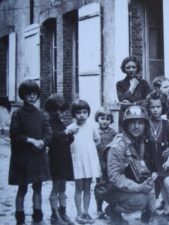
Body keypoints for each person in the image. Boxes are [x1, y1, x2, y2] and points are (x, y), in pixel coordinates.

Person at [94, 105, 157, 225]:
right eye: (132, 122)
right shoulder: (118, 146)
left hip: (128, 182)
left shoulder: (141, 142)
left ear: (145, 125)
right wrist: (139, 187)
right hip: (109, 188)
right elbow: (114, 177)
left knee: (152, 185)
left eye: (140, 122)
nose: (137, 126)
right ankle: (113, 211)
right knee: (141, 200)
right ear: (126, 125)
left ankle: (150, 215)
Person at [9, 79, 52, 225]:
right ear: (23, 96)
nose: (32, 97)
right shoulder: (17, 114)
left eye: (34, 94)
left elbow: (48, 133)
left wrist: (43, 141)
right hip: (23, 158)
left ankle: (37, 214)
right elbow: (15, 134)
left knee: (38, 187)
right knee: (23, 187)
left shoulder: (41, 115)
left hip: (38, 157)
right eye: (28, 94)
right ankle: (20, 216)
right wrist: (31, 140)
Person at [144, 93, 169, 222]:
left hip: (163, 162)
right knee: (151, 188)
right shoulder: (145, 124)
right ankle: (152, 214)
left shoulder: (167, 124)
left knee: (168, 184)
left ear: (163, 107)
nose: (155, 110)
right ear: (149, 108)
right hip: (150, 163)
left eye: (158, 106)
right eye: (152, 107)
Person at [67, 100, 101, 224]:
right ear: (74, 114)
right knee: (78, 188)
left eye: (84, 112)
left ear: (88, 113)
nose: (82, 115)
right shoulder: (71, 128)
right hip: (77, 160)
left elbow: (97, 140)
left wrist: (90, 149)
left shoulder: (91, 126)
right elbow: (67, 142)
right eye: (78, 112)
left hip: (88, 160)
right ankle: (79, 212)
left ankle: (86, 212)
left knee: (87, 188)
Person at [45, 94, 77, 225]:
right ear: (51, 110)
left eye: (62, 110)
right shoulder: (49, 122)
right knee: (56, 185)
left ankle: (63, 213)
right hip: (55, 159)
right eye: (57, 110)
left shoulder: (60, 122)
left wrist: (71, 135)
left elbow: (66, 140)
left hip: (64, 158)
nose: (60, 113)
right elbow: (52, 138)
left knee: (63, 186)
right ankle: (54, 215)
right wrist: (67, 132)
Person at [93, 106, 117, 219]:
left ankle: (112, 207)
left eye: (108, 119)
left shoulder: (113, 133)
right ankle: (99, 208)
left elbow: (117, 147)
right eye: (102, 118)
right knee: (100, 186)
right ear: (97, 119)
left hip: (110, 164)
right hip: (98, 163)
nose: (105, 121)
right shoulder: (94, 132)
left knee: (112, 185)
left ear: (111, 120)